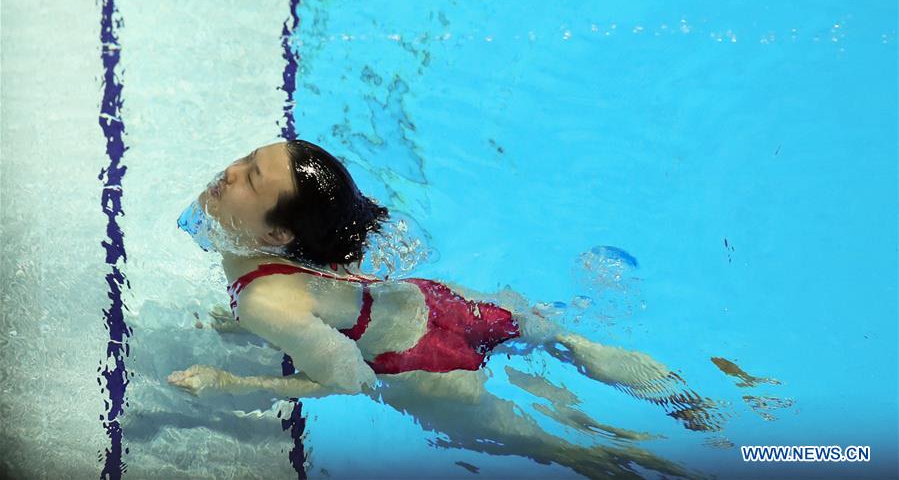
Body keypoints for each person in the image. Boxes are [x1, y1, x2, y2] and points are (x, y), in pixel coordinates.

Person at [167, 140, 721, 478]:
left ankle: (676, 470)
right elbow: (328, 296)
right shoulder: (306, 241)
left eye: (251, 174)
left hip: (424, 363)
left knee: (566, 449)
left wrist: (228, 382)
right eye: (245, 162)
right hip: (435, 300)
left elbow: (349, 381)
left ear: (280, 232)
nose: (230, 171)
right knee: (565, 339)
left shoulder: (263, 298)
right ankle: (691, 403)